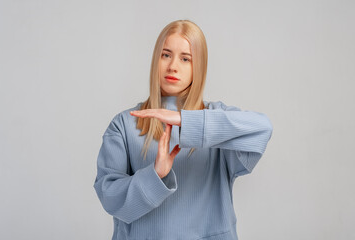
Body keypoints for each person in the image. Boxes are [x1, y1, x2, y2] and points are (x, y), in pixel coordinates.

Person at [93, 19, 273, 240]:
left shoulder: (216, 118)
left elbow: (262, 129)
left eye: (186, 58)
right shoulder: (124, 125)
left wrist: (185, 120)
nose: (173, 66)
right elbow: (110, 198)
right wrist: (156, 175)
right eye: (166, 55)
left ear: (199, 65)